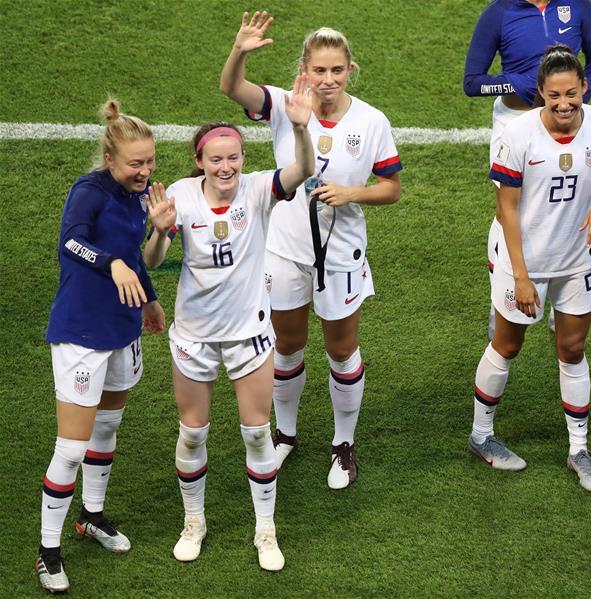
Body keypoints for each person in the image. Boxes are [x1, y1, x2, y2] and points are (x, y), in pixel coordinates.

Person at [219, 11, 402, 488]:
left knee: (341, 351)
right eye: (319, 70)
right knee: (287, 345)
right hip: (283, 249)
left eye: (337, 70)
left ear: (350, 70)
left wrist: (351, 193)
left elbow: (392, 187)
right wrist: (239, 50)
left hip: (340, 255)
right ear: (304, 69)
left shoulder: (372, 121)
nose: (328, 79)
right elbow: (231, 88)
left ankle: (343, 444)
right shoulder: (284, 105)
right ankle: (286, 434)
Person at [143, 75, 314, 570]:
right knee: (192, 433)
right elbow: (152, 262)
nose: (226, 167)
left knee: (258, 435)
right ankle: (193, 521)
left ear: (243, 157)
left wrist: (300, 128)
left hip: (249, 334)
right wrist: (159, 233)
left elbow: (303, 169)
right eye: (216, 159)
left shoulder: (259, 188)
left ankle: (266, 529)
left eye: (233, 157)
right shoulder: (180, 195)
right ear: (199, 161)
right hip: (194, 336)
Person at [468, 44, 591, 492]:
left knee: (573, 347)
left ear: (584, 88)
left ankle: (578, 449)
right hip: (524, 259)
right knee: (507, 344)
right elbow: (506, 210)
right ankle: (481, 436)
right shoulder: (518, 135)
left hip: (577, 257)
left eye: (571, 94)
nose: (564, 104)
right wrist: (521, 277)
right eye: (554, 95)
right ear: (540, 92)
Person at [37, 99, 167, 593]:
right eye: (135, 163)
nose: (145, 171)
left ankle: (90, 516)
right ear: (110, 159)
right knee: (72, 447)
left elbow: (139, 255)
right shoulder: (88, 191)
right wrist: (110, 263)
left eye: (150, 161)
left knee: (107, 428)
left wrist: (149, 298)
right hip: (82, 334)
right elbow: (70, 243)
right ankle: (48, 552)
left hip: (123, 327)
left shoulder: (141, 195)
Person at [464, 0, 591, 338]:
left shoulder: (578, 6)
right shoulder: (499, 13)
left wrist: (576, 100)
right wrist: (513, 84)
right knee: (508, 209)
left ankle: (567, 295)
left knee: (569, 201)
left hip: (565, 119)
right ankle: (502, 294)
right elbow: (472, 82)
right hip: (514, 121)